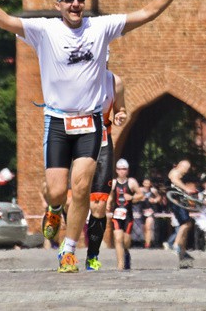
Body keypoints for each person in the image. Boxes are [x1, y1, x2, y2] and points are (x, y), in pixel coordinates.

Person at [0, 0, 189, 273]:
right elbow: (6, 21)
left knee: (80, 188)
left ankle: (68, 250)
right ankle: (53, 208)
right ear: (58, 4)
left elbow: (146, 13)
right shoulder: (44, 30)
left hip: (90, 121)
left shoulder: (101, 27)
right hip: (57, 120)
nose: (76, 4)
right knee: (56, 189)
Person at [85, 69, 127, 271]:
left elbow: (121, 109)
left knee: (99, 205)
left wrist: (120, 115)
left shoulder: (114, 82)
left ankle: (92, 255)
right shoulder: (73, 74)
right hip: (77, 141)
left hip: (102, 142)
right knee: (67, 199)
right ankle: (67, 247)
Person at [108, 158, 141, 270]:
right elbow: (110, 196)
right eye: (120, 169)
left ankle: (126, 253)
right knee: (118, 239)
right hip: (117, 215)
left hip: (128, 216)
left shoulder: (132, 182)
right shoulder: (113, 183)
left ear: (127, 170)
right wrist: (108, 204)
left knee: (126, 241)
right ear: (116, 170)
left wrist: (132, 197)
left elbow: (141, 195)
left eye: (124, 169)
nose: (122, 171)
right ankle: (120, 265)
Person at [168, 160, 196, 268]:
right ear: (180, 166)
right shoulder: (175, 172)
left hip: (179, 201)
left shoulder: (180, 175)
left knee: (185, 226)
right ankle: (175, 245)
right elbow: (174, 180)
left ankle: (183, 252)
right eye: (186, 168)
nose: (186, 171)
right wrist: (186, 189)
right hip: (175, 202)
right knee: (186, 224)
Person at [140, 178, 161, 249]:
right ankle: (146, 241)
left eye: (148, 183)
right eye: (145, 183)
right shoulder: (140, 190)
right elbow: (133, 198)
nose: (147, 185)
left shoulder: (153, 190)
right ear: (143, 183)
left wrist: (154, 200)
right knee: (144, 228)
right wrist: (140, 198)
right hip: (142, 210)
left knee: (148, 227)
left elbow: (159, 197)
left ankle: (147, 244)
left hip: (150, 210)